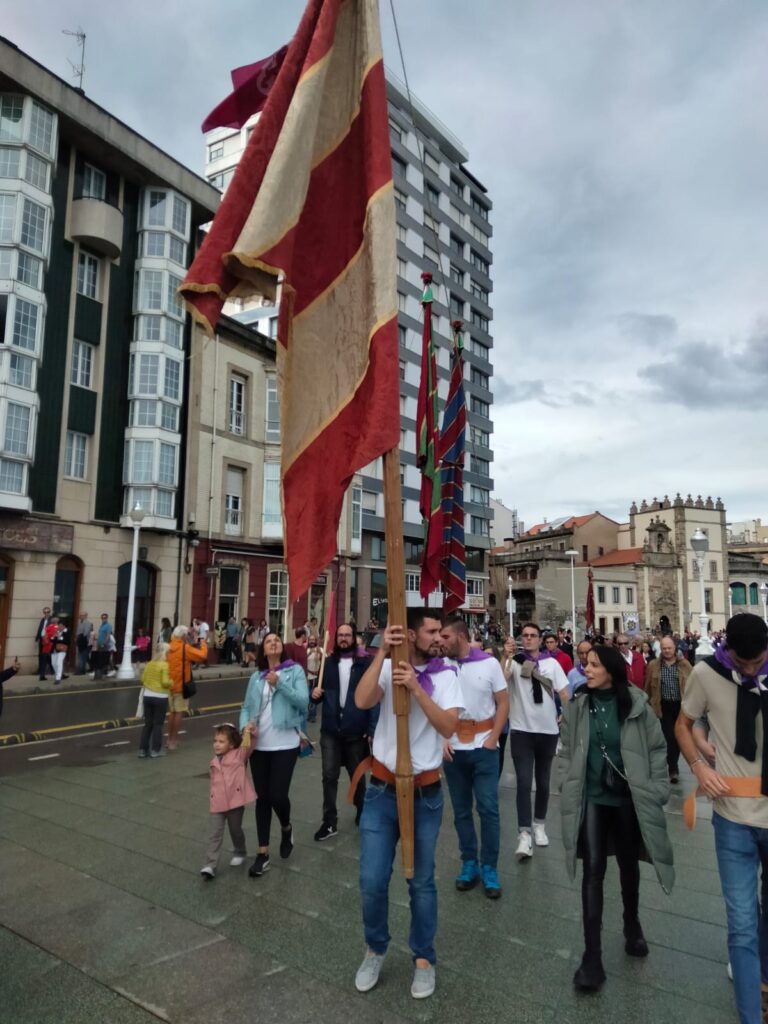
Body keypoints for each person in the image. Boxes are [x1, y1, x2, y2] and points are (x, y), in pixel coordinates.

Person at [353, 608, 462, 1000]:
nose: (440, 637)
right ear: (412, 635)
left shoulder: (446, 675)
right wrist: (382, 653)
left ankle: (423, 958)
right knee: (371, 880)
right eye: (432, 631)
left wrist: (417, 689)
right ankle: (375, 947)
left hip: (426, 793)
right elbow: (363, 700)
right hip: (382, 790)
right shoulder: (390, 666)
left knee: (421, 882)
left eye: (442, 631)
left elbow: (450, 726)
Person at [560, 644, 673, 992]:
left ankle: (631, 922)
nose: (587, 669)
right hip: (593, 798)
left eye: (594, 665)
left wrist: (656, 789)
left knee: (628, 864)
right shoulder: (578, 705)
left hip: (627, 799)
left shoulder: (636, 704)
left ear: (611, 669)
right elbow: (566, 750)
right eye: (586, 664)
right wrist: (566, 783)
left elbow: (657, 749)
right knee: (593, 871)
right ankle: (591, 958)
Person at [676, 613, 768, 1024]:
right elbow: (683, 723)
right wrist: (698, 766)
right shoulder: (706, 672)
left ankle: (761, 977)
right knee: (743, 923)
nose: (749, 670)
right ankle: (752, 1015)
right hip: (733, 816)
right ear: (727, 649)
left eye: (758, 662)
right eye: (742, 662)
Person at [440, 616, 509, 899]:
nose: (440, 642)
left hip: (483, 746)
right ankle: (469, 862)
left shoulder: (489, 663)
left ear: (461, 636)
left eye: (445, 637)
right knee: (460, 810)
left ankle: (489, 867)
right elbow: (436, 705)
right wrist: (441, 737)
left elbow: (503, 702)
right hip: (454, 748)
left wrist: (493, 739)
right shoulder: (442, 666)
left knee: (489, 809)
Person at [239, 632, 308, 877]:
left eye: (277, 640)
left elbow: (303, 701)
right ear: (263, 650)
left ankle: (287, 827)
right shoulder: (255, 678)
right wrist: (245, 725)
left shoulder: (294, 671)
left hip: (286, 743)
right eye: (269, 641)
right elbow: (246, 707)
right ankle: (263, 853)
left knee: (278, 796)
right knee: (262, 799)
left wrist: (279, 682)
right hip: (259, 745)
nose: (273, 643)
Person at [508, 622, 570, 860]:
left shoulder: (551, 664)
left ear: (540, 639)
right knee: (524, 781)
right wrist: (506, 655)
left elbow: (563, 692)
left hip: (547, 731)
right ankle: (524, 834)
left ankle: (539, 824)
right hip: (522, 730)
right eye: (525, 635)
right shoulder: (514, 663)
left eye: (533, 636)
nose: (529, 639)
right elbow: (503, 680)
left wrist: (567, 715)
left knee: (543, 781)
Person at [312, 624, 375, 839]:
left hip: (355, 730)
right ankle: (329, 822)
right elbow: (321, 694)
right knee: (328, 776)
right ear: (336, 638)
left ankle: (363, 813)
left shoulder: (364, 663)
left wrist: (371, 728)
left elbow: (373, 697)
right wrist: (315, 694)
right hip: (330, 730)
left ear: (354, 638)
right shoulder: (328, 663)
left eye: (348, 635)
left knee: (356, 776)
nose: (344, 638)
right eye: (340, 635)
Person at [200, 723, 256, 879]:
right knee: (215, 834)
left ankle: (240, 851)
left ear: (231, 744)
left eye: (221, 741)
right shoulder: (214, 762)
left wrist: (248, 732)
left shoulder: (239, 756)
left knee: (235, 830)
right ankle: (210, 865)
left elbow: (247, 745)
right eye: (215, 741)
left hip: (235, 803)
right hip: (217, 804)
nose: (216, 744)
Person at [645, 635, 692, 783]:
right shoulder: (654, 665)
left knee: (677, 737)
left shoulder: (685, 665)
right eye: (664, 648)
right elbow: (647, 687)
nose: (666, 651)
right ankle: (672, 768)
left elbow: (693, 685)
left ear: (674, 648)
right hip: (662, 705)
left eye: (669, 648)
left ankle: (673, 765)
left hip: (680, 706)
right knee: (668, 737)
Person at [167, 625, 208, 750]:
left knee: (171, 712)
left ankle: (168, 739)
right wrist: (203, 643)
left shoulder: (168, 647)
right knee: (179, 712)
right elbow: (202, 655)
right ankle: (173, 741)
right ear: (184, 636)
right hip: (181, 685)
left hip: (168, 684)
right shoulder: (185, 648)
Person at [137, 642, 172, 758]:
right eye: (169, 652)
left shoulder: (150, 664)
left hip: (147, 696)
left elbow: (142, 679)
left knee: (148, 724)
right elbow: (165, 682)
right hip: (160, 697)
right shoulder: (164, 665)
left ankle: (143, 750)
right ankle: (155, 750)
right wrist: (172, 682)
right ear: (165, 653)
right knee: (158, 724)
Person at [306, 638, 322, 723]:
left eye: (313, 640)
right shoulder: (306, 650)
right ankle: (307, 714)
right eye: (310, 640)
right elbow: (303, 661)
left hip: (316, 678)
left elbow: (324, 661)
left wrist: (320, 652)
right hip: (308, 677)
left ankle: (312, 716)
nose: (312, 641)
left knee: (314, 696)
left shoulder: (320, 650)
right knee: (308, 696)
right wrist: (309, 653)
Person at [34, 606, 52, 681]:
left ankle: (44, 672)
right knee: (41, 655)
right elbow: (40, 628)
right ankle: (41, 671)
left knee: (45, 656)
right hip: (41, 639)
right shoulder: (42, 619)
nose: (46, 613)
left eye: (47, 612)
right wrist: (37, 638)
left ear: (49, 612)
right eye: (44, 612)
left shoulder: (51, 620)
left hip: (47, 640)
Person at [49, 616, 69, 684]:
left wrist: (59, 637)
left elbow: (66, 640)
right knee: (53, 663)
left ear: (63, 626)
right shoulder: (57, 631)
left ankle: (58, 678)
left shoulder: (67, 631)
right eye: (58, 625)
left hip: (62, 650)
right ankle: (58, 675)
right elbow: (51, 640)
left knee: (59, 663)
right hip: (54, 649)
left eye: (60, 626)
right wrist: (53, 637)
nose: (59, 627)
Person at [94, 613, 113, 680]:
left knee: (105, 657)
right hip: (99, 643)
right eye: (102, 618)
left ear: (107, 618)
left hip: (104, 644)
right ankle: (103, 670)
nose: (103, 619)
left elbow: (108, 635)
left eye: (105, 618)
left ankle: (111, 669)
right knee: (101, 657)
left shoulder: (108, 626)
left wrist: (104, 643)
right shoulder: (102, 625)